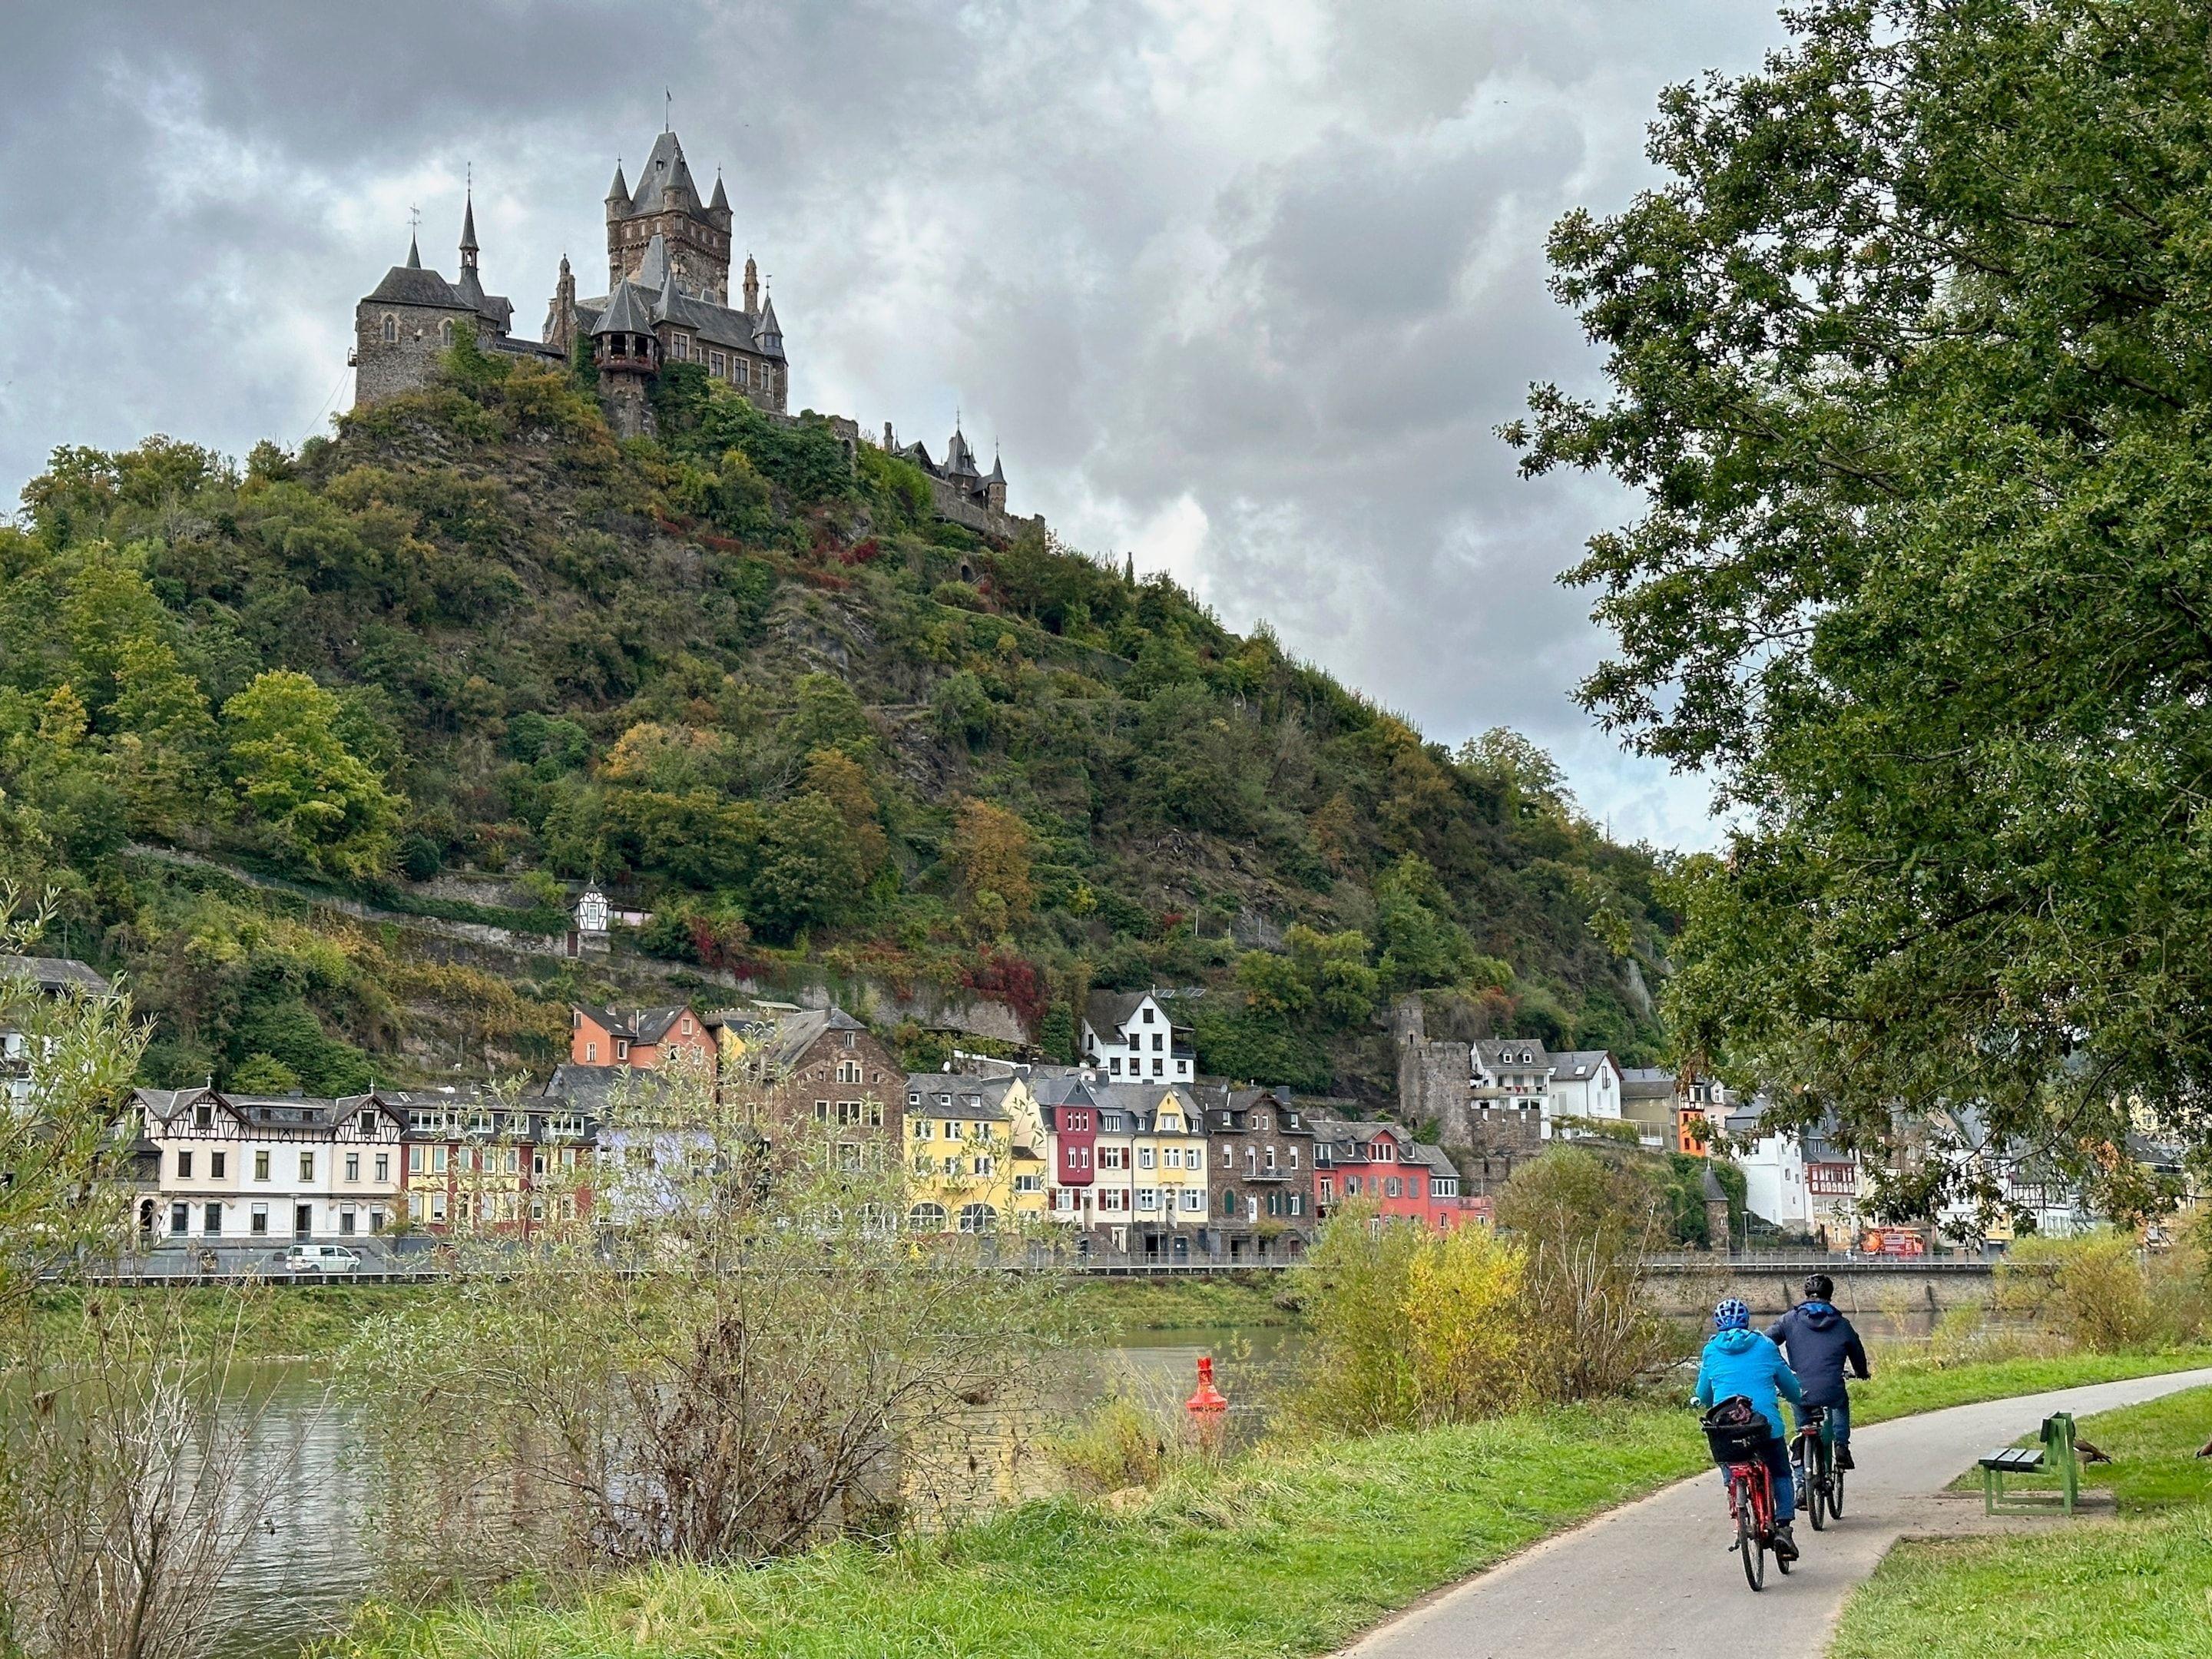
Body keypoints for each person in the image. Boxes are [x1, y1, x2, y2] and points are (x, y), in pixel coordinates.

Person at [1692, 1296, 1805, 1558]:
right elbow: (1788, 1384)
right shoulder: (1765, 1346)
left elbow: (1704, 1394)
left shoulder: (1711, 1351)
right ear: (1747, 1321)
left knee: (1725, 1454)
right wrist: (1797, 1397)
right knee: (1780, 1473)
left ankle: (1735, 1492)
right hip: (1764, 1425)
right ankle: (1784, 1529)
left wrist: (1708, 1399)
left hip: (1728, 1427)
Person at [1766, 1274, 1871, 1470]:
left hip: (1800, 1388)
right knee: (1840, 1403)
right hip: (1831, 1388)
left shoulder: (1789, 1320)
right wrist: (1861, 1372)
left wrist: (1781, 1369)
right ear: (1830, 1295)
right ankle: (1841, 1446)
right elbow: (1857, 1352)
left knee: (1800, 1411)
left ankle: (1801, 1445)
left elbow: (1765, 1344)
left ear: (1806, 1295)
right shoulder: (1842, 1324)